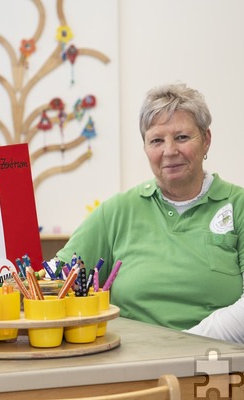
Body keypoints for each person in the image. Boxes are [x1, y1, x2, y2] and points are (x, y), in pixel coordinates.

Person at [56, 82, 244, 344]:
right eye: (156, 140)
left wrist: (187, 344)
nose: (169, 151)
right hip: (133, 366)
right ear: (145, 147)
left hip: (216, 364)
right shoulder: (117, 211)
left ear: (206, 140)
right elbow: (56, 276)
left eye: (182, 137)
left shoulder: (238, 205)